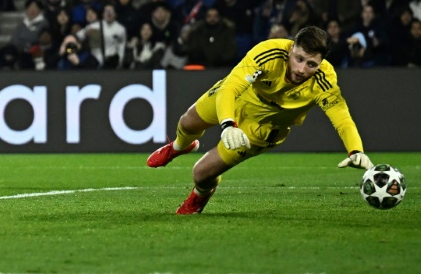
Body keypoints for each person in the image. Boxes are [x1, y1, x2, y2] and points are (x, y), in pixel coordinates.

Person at [146, 26, 373, 214]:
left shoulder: (325, 80)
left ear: (321, 63)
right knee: (187, 123)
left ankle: (199, 196)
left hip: (263, 128)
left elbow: (341, 118)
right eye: (299, 59)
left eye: (311, 64)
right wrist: (227, 124)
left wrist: (356, 151)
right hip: (239, 99)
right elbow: (231, 87)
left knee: (201, 174)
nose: (302, 69)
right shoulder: (269, 52)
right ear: (291, 49)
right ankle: (178, 147)